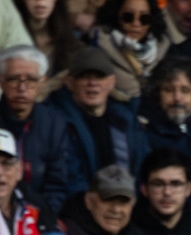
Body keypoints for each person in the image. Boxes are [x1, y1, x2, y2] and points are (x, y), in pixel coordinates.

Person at [0, 45, 78, 214]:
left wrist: (45, 218)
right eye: (14, 79)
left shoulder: (54, 123)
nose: (22, 88)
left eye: (30, 79)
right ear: (0, 81)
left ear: (43, 82)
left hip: (40, 214)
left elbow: (57, 184)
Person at [48, 49, 149, 194]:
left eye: (99, 76)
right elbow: (68, 178)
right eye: (84, 76)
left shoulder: (127, 120)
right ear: (69, 82)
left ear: (112, 82)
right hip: (80, 209)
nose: (92, 83)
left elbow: (142, 166)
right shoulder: (56, 120)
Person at [136, 60, 191, 193]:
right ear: (158, 94)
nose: (177, 98)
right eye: (169, 90)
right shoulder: (145, 131)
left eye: (185, 90)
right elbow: (148, 177)